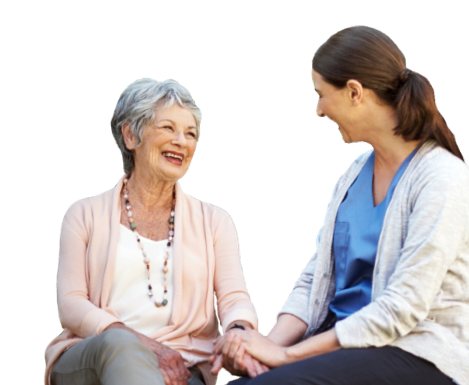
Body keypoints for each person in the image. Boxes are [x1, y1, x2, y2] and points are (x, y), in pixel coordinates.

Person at [212, 25, 469, 385]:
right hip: (342, 349)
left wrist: (285, 356)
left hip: (417, 352)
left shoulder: (443, 178)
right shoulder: (354, 173)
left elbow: (402, 308)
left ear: (354, 92)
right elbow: (316, 279)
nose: (318, 109)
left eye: (321, 94)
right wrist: (264, 346)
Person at [43, 77, 259, 385]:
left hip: (181, 363)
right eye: (168, 128)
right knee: (121, 347)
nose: (181, 141)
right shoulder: (83, 213)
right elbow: (71, 304)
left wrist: (238, 330)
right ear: (131, 135)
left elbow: (235, 298)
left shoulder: (216, 221)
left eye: (190, 133)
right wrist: (138, 343)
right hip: (94, 353)